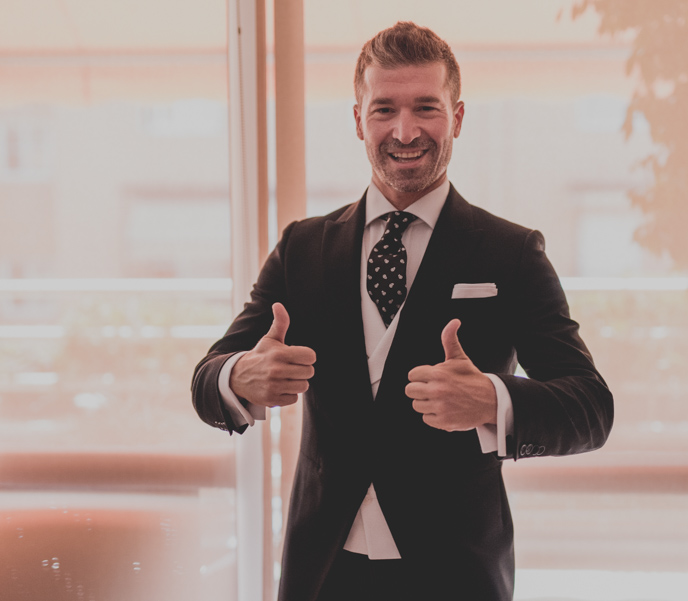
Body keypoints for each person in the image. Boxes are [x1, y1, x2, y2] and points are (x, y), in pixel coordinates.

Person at [192, 21, 613, 601]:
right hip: (322, 573)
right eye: (384, 109)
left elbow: (591, 407)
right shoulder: (302, 248)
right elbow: (206, 378)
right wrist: (238, 376)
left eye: (426, 108)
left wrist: (493, 398)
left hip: (455, 574)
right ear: (358, 119)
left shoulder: (510, 252)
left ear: (457, 119)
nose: (405, 130)